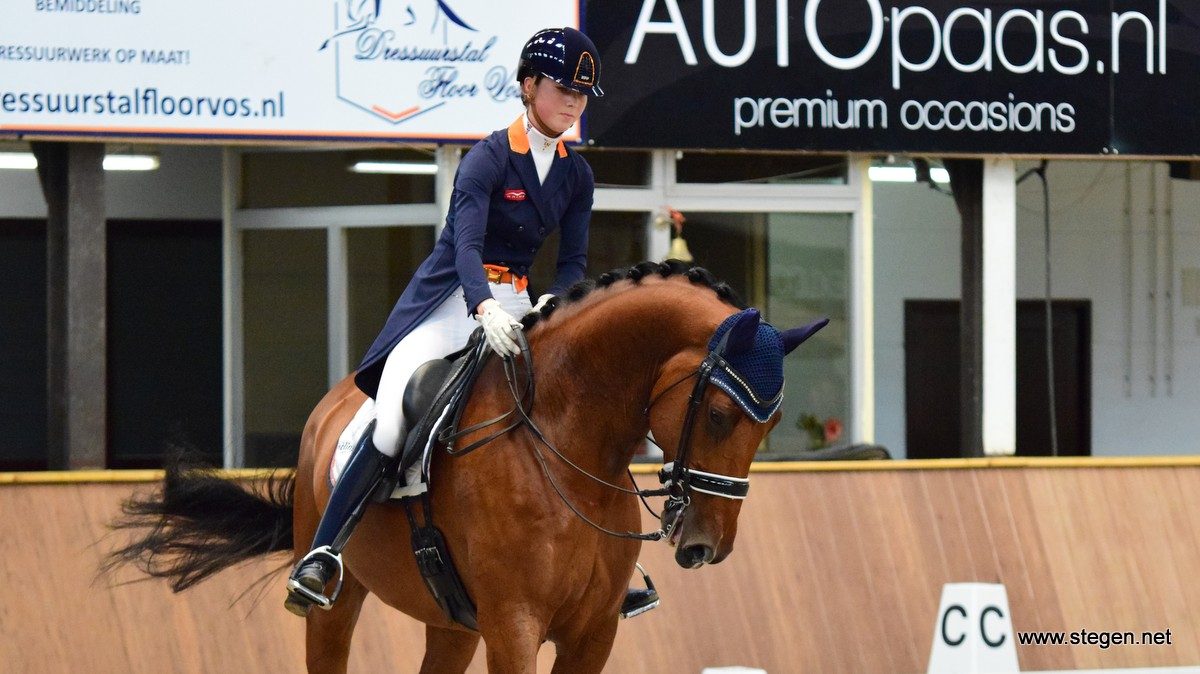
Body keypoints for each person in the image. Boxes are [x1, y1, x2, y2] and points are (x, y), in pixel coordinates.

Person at [285, 26, 659, 620]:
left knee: (577, 406)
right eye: (563, 90)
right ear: (529, 86)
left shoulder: (575, 175)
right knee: (394, 412)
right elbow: (464, 243)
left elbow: (572, 260)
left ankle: (613, 557)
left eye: (583, 96)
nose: (573, 104)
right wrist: (482, 305)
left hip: (517, 304)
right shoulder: (486, 157)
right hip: (452, 301)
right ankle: (325, 551)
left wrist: (555, 308)